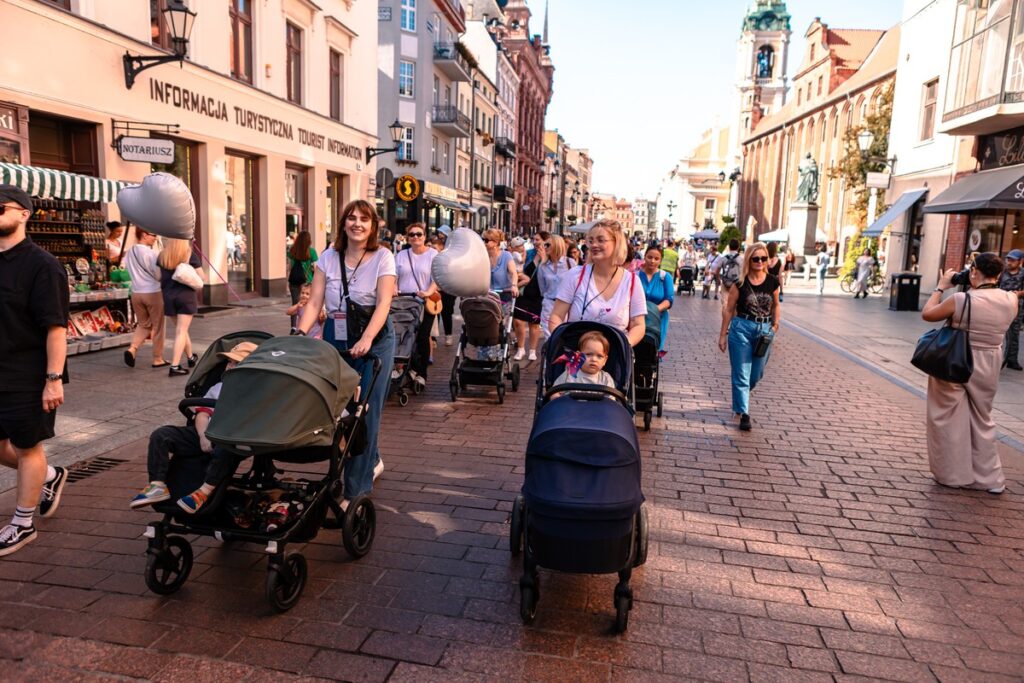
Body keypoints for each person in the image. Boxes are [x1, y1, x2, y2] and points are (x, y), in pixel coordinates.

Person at [296, 200, 394, 508]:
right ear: (343, 224)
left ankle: (355, 490)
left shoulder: (383, 257)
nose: (357, 224)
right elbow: (314, 302)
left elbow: (384, 304)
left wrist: (366, 338)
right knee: (340, 410)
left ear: (373, 225)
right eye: (351, 218)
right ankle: (372, 458)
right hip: (337, 336)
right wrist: (300, 333)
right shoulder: (328, 256)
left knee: (366, 411)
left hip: (374, 340)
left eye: (364, 219)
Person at [0, 185, 70, 556]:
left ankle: (22, 524)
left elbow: (56, 327)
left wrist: (53, 379)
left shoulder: (43, 265)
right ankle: (49, 476)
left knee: (28, 447)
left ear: (24, 213)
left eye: (0, 208)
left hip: (27, 375)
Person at [922, 253, 1023, 494]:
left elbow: (928, 314)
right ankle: (991, 479)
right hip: (990, 361)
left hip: (956, 359)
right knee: (982, 417)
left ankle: (953, 475)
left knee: (947, 417)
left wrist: (940, 287)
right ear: (999, 274)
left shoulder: (960, 299)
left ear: (974, 271)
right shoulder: (1011, 299)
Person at [130, 341, 257, 512]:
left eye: (237, 363)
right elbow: (202, 413)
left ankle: (204, 491)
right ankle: (157, 485)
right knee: (162, 435)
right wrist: (203, 436)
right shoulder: (218, 387)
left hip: (231, 438)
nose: (230, 367)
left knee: (225, 447)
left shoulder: (255, 392)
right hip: (205, 432)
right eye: (229, 362)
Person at [549, 219, 647, 347]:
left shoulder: (632, 281)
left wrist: (624, 346)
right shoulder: (575, 276)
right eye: (591, 240)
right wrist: (562, 343)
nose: (594, 245)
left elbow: (638, 324)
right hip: (577, 355)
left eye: (601, 240)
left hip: (615, 356)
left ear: (617, 243)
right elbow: (556, 315)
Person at [719, 241, 780, 432]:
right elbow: (729, 309)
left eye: (763, 258)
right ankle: (745, 414)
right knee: (742, 373)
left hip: (764, 330)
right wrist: (723, 334)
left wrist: (775, 325)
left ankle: (740, 397)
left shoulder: (772, 282)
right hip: (741, 329)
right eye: (756, 258)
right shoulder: (740, 283)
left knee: (756, 374)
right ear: (749, 260)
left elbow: (776, 304)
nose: (760, 262)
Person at [394, 222, 437, 386]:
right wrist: (394, 289)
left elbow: (436, 279)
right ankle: (407, 367)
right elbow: (394, 276)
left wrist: (428, 292)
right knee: (403, 336)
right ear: (407, 238)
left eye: (419, 234)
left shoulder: (433, 255)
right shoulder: (401, 255)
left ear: (425, 236)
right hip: (403, 302)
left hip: (425, 303)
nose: (415, 237)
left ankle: (421, 372)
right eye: (411, 235)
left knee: (422, 337)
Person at [122, 227, 167, 368]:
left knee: (144, 324)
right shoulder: (151, 254)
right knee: (158, 326)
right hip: (153, 292)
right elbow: (158, 275)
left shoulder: (129, 252)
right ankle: (158, 358)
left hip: (136, 293)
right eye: (153, 235)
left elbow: (126, 269)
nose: (155, 238)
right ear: (144, 234)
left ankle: (133, 348)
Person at [159, 238, 203, 376]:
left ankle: (190, 357)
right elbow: (202, 276)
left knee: (181, 330)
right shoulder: (189, 254)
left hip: (168, 296)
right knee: (181, 331)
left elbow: (157, 276)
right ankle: (175, 366)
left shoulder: (162, 255)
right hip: (185, 296)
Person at [513, 231, 547, 361]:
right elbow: (524, 269)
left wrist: (543, 259)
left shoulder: (548, 254)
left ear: (545, 240)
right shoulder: (529, 253)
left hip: (538, 292)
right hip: (524, 290)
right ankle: (521, 349)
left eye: (538, 239)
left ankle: (532, 350)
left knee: (534, 323)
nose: (535, 241)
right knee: (518, 321)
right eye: (534, 239)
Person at [552, 330, 618, 390]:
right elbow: (555, 391)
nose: (594, 359)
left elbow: (611, 401)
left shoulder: (606, 379)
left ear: (605, 360)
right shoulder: (569, 374)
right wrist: (555, 396)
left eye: (599, 356)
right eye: (588, 354)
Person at [538, 234, 574, 342]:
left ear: (557, 245)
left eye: (548, 245)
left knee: (566, 335)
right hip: (549, 304)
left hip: (566, 305)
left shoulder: (570, 263)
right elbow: (542, 288)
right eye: (544, 245)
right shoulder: (543, 266)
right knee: (549, 337)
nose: (545, 247)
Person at [638, 246, 674, 353]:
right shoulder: (636, 275)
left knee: (653, 349)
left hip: (658, 318)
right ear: (644, 257)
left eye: (656, 258)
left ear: (661, 260)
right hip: (638, 317)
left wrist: (653, 310)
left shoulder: (665, 277)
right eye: (649, 257)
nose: (652, 261)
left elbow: (669, 299)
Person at [999, 248, 1024, 371]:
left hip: (1016, 307)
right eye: (1008, 259)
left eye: (1013, 260)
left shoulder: (1023, 273)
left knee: (1014, 334)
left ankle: (1012, 360)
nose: (1009, 262)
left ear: (1020, 261)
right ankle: (997, 357)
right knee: (998, 332)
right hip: (1000, 305)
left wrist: (1020, 293)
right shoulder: (1001, 272)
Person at [287, 230, 318, 326]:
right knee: (308, 304)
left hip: (294, 282)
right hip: (307, 282)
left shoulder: (292, 251)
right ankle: (305, 325)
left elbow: (289, 267)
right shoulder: (311, 251)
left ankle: (293, 327)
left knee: (295, 304)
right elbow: (316, 268)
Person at [484, 229, 520, 305]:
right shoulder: (483, 256)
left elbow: (514, 273)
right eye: (483, 239)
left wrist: (514, 286)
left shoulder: (506, 255)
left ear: (495, 242)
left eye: (486, 240)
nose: (484, 242)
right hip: (488, 296)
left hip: (504, 295)